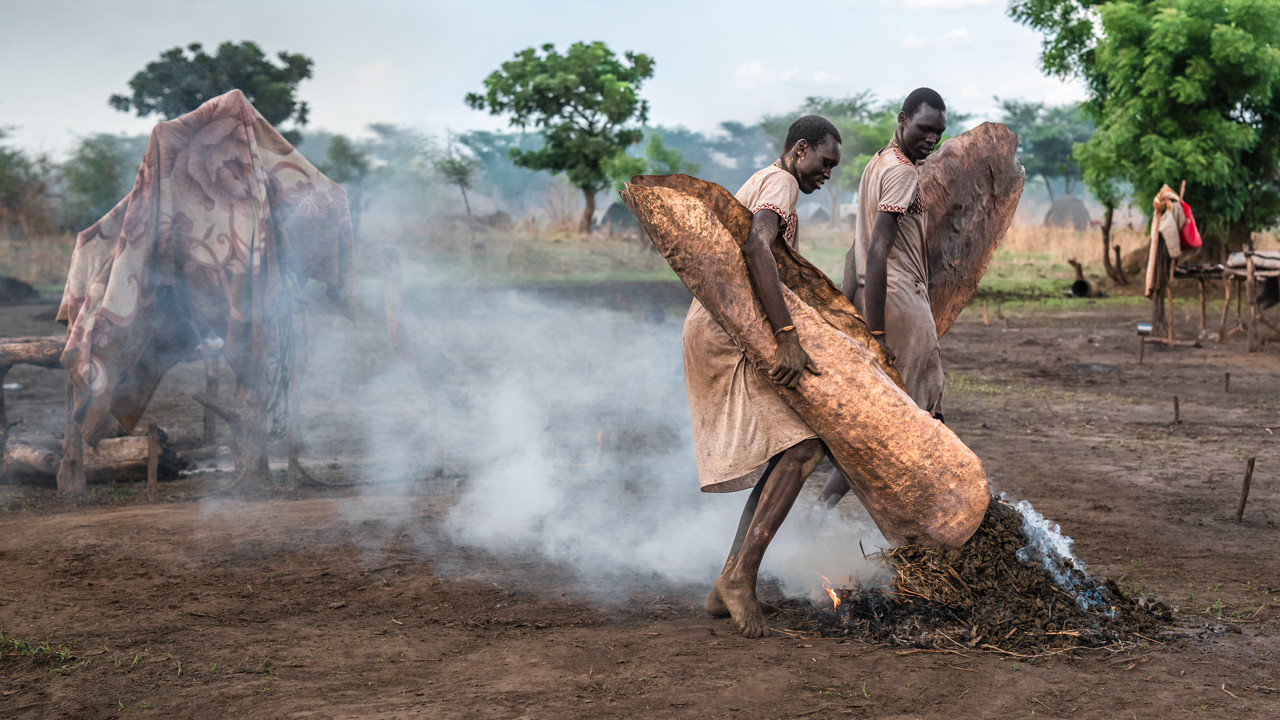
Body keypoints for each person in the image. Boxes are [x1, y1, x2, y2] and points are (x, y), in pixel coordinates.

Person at [685, 115, 841, 637]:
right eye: (824, 162)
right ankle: (739, 577)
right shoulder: (781, 182)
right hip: (727, 333)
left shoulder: (767, 177)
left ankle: (728, 582)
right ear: (800, 150)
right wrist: (787, 335)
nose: (826, 174)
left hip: (726, 327)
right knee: (804, 447)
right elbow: (756, 247)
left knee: (787, 453)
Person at [819, 88, 947, 507]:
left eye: (938, 132)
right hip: (898, 301)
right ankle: (921, 512)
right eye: (924, 128)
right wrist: (875, 333)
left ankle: (825, 509)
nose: (932, 139)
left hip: (880, 299)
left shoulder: (878, 164)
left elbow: (853, 250)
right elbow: (875, 251)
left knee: (893, 416)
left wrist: (844, 307)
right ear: (902, 120)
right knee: (906, 419)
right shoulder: (901, 172)